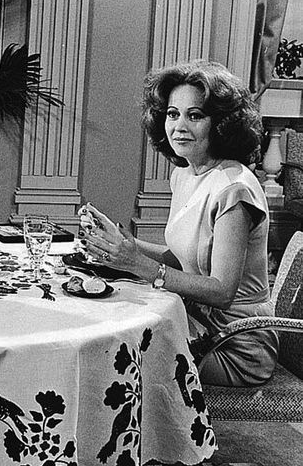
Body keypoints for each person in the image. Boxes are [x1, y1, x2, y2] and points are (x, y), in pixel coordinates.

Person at [81, 60, 277, 387]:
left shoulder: (234, 189)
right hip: (194, 323)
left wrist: (138, 264)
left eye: (195, 116)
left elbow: (222, 291)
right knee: (102, 333)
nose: (179, 126)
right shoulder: (185, 174)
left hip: (234, 342)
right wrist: (123, 244)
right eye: (173, 114)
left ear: (222, 124)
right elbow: (181, 258)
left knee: (112, 357)